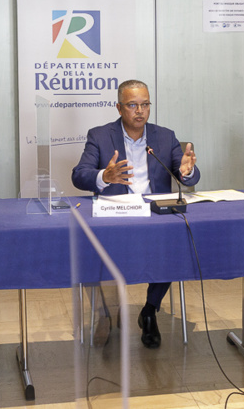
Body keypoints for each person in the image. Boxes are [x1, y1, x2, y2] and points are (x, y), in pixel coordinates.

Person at [71, 79, 200, 348]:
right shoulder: (99, 135)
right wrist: (103, 176)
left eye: (145, 105)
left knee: (173, 245)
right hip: (116, 212)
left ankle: (149, 311)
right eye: (132, 105)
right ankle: (105, 313)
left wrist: (187, 172)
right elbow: (79, 175)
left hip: (154, 214)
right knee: (90, 248)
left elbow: (183, 170)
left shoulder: (165, 136)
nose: (139, 111)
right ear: (119, 108)